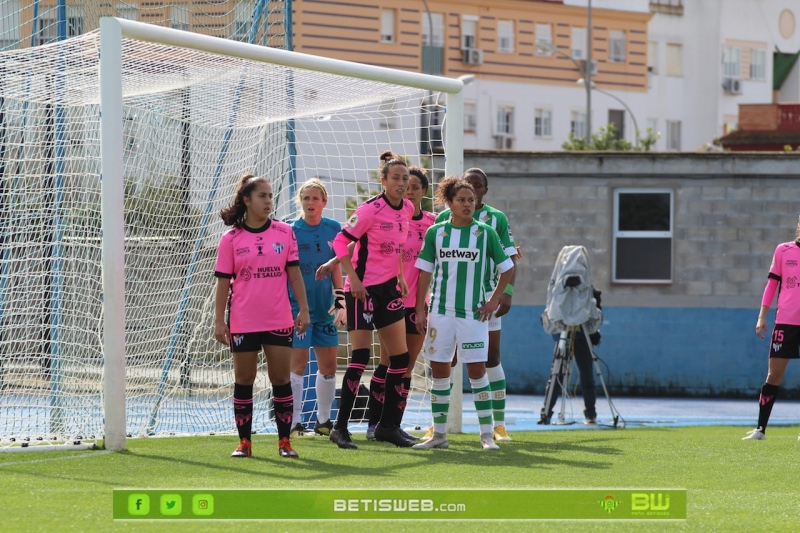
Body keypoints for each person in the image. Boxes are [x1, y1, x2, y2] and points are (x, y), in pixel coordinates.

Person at [412, 176, 514, 451]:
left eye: (471, 200)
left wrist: (493, 301)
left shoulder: (485, 233)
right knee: (441, 372)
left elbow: (508, 267)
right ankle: (440, 435)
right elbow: (425, 271)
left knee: (478, 372)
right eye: (462, 200)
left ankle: (486, 435)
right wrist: (420, 308)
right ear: (450, 203)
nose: (468, 204)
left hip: (473, 315)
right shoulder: (437, 232)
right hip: (440, 313)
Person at [214, 173, 310, 459]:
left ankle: (284, 442)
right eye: (262, 196)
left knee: (280, 380)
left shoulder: (284, 232)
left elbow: (294, 274)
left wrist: (303, 309)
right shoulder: (230, 239)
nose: (268, 201)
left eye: (270, 196)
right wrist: (220, 321)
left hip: (278, 319)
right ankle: (245, 443)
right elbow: (222, 283)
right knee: (244, 380)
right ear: (247, 200)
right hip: (244, 320)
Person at [327, 151, 416, 449]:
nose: (401, 183)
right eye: (396, 178)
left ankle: (387, 426)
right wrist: (353, 279)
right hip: (362, 291)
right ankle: (340, 428)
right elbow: (340, 241)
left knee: (400, 359)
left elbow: (395, 249)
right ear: (384, 180)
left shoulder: (407, 209)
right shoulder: (369, 209)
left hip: (389, 290)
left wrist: (401, 275)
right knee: (361, 358)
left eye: (405, 178)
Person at [366, 165, 436, 441]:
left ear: (423, 192)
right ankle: (374, 423)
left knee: (406, 367)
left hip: (419, 303)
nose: (409, 190)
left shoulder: (433, 223)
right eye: (406, 184)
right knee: (388, 363)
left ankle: (393, 423)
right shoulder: (390, 218)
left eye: (415, 186)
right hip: (391, 299)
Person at [287, 179, 345, 440]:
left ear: (324, 202)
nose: (310, 203)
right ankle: (294, 422)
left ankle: (323, 421)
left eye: (315, 198)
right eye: (306, 198)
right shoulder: (291, 231)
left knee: (329, 366)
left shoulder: (333, 228)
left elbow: (337, 265)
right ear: (301, 201)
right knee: (298, 365)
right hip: (299, 309)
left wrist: (340, 298)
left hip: (325, 310)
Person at [743, 218, 800, 441]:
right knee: (774, 374)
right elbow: (772, 285)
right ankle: (760, 430)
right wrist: (762, 316)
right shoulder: (783, 251)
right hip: (785, 322)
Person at [540, 288, 603, 426]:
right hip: (563, 335)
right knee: (557, 376)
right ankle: (546, 413)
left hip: (582, 335)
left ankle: (590, 414)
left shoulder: (586, 290)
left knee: (586, 375)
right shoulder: (559, 288)